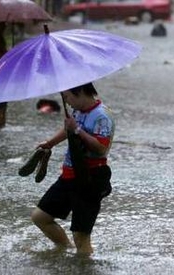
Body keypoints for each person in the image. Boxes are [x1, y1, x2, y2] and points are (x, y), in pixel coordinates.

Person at [30, 82, 114, 255]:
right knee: (40, 217)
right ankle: (64, 250)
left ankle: (83, 265)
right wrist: (50, 143)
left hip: (89, 179)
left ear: (80, 91)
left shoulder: (102, 116)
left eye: (67, 96)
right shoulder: (77, 111)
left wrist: (77, 130)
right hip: (68, 176)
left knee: (80, 235)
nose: (66, 101)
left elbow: (100, 148)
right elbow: (67, 129)